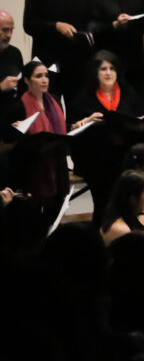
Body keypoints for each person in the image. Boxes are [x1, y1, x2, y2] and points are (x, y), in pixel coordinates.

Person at [70, 51, 144, 226]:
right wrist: (86, 122)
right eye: (103, 69)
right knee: (103, 205)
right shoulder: (85, 98)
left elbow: (143, 122)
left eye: (112, 68)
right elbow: (74, 131)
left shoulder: (129, 94)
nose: (108, 73)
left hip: (126, 159)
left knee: (128, 205)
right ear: (95, 73)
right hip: (98, 162)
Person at [5, 60, 70, 244]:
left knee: (52, 220)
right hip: (32, 170)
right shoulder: (19, 105)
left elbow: (60, 129)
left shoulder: (54, 101)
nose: (44, 80)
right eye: (38, 76)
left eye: (46, 76)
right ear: (26, 80)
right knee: (33, 224)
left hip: (56, 168)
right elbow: (12, 140)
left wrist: (77, 125)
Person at [23, 0, 95, 102]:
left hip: (77, 62)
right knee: (51, 110)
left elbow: (90, 17)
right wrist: (55, 26)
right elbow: (29, 24)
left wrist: (90, 31)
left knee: (78, 111)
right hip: (48, 62)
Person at [0, 9, 25, 99]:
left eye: (11, 30)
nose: (9, 35)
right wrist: (1, 87)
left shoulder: (15, 53)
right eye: (5, 30)